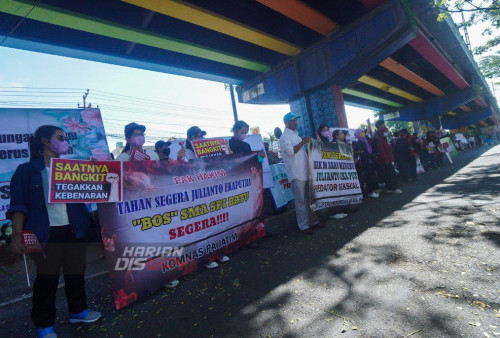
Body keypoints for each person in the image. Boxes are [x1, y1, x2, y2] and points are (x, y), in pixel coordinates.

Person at [8, 125, 101, 338]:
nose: (64, 141)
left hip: (74, 230)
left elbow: (99, 187)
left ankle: (78, 311)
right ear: (45, 141)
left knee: (76, 274)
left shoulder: (72, 168)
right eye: (60, 137)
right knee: (47, 280)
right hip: (46, 234)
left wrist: (98, 169)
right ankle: (44, 324)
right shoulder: (27, 170)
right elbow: (18, 206)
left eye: (65, 138)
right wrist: (16, 235)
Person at [279, 112, 324, 234]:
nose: (295, 122)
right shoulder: (284, 137)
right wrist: (303, 142)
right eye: (292, 120)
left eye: (296, 120)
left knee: (309, 200)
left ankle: (313, 221)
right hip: (296, 174)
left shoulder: (296, 136)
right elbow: (290, 152)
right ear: (286, 122)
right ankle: (303, 226)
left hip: (304, 172)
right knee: (301, 201)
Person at [374, 120, 402, 193]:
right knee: (391, 174)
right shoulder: (380, 137)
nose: (384, 126)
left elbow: (386, 135)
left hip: (386, 159)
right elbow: (381, 150)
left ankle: (389, 188)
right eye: (383, 125)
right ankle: (394, 188)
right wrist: (386, 159)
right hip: (386, 160)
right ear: (379, 126)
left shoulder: (382, 137)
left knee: (387, 174)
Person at [353, 129, 379, 199]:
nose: (363, 133)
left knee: (372, 176)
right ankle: (370, 191)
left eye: (363, 132)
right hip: (365, 162)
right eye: (361, 133)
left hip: (370, 160)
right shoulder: (359, 142)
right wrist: (371, 156)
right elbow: (362, 153)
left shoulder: (365, 140)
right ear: (357, 135)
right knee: (368, 177)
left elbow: (369, 150)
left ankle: (373, 190)